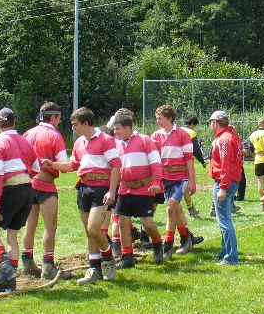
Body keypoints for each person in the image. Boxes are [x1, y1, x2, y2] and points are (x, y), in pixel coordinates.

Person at [44, 107, 121, 285]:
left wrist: (112, 191)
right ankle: (94, 269)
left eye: (75, 124)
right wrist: (52, 164)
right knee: (89, 232)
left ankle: (108, 258)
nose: (73, 128)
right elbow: (73, 166)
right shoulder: (79, 142)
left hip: (101, 189)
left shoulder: (105, 139)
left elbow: (116, 166)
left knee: (94, 229)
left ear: (86, 123)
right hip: (84, 188)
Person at [0, 108, 39, 292]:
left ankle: (5, 267)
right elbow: (36, 169)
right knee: (12, 235)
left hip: (9, 190)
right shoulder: (25, 141)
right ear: (14, 122)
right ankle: (10, 283)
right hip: (27, 190)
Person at [21, 102, 69, 280]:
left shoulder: (28, 133)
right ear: (54, 117)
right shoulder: (54, 135)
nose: (60, 121)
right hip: (46, 185)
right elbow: (63, 165)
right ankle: (48, 266)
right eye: (59, 118)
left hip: (28, 184)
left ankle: (27, 263)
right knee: (50, 226)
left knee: (30, 224)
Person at [111, 111, 165, 268]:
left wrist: (156, 182)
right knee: (123, 220)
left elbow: (156, 162)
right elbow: (115, 168)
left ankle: (157, 244)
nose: (115, 132)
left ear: (128, 128)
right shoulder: (116, 145)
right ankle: (127, 257)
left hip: (144, 188)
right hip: (125, 188)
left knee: (146, 222)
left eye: (118, 128)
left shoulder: (144, 140)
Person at [152, 105, 197, 259]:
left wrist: (192, 181)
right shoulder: (156, 135)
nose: (158, 121)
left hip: (180, 178)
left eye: (160, 118)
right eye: (157, 118)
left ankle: (168, 246)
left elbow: (189, 159)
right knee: (176, 209)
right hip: (165, 179)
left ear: (170, 118)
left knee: (170, 209)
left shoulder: (182, 134)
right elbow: (153, 159)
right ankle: (186, 240)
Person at [209, 111, 242, 265]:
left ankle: (230, 258)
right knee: (224, 219)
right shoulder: (232, 136)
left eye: (211, 122)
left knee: (224, 221)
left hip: (225, 182)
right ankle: (224, 252)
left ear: (215, 123)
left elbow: (225, 164)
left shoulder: (224, 139)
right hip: (233, 180)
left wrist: (222, 187)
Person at [181, 116, 207, 218]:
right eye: (194, 126)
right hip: (184, 163)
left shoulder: (177, 129)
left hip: (172, 162)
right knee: (185, 186)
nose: (194, 128)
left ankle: (190, 208)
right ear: (192, 124)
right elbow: (196, 149)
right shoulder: (190, 132)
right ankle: (190, 208)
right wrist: (202, 161)